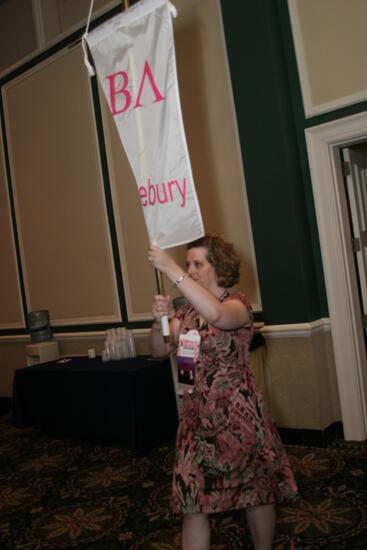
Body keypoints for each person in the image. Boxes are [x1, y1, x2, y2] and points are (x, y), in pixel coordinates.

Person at [148, 233, 298, 550]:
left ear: (219, 268)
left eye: (197, 264)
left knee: (255, 494)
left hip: (237, 421)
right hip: (195, 424)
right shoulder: (185, 314)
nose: (190, 270)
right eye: (187, 264)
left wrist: (170, 268)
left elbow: (216, 315)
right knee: (192, 503)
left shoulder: (238, 305)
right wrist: (158, 322)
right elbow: (160, 351)